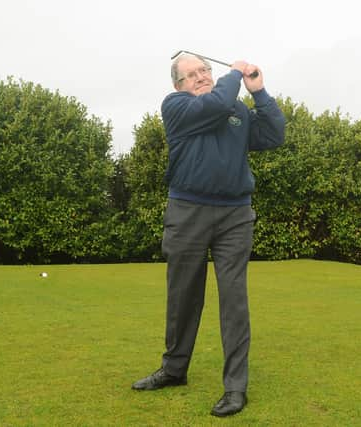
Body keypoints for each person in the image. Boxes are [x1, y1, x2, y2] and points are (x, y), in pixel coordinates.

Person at [131, 53, 285, 417]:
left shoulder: (236, 110)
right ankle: (174, 369)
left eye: (205, 71)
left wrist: (259, 93)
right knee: (183, 294)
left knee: (234, 300)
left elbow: (274, 134)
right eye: (192, 74)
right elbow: (217, 103)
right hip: (188, 212)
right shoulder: (177, 107)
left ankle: (235, 387)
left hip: (235, 214)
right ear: (178, 84)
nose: (202, 76)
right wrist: (234, 74)